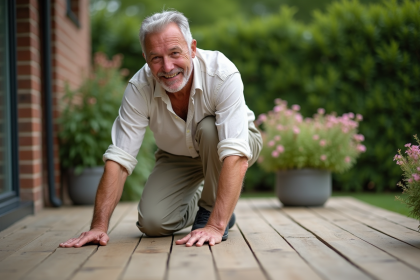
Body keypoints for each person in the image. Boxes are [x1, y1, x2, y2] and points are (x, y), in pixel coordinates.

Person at [59, 10, 262, 248]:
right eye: (156, 58)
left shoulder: (222, 74)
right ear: (145, 57)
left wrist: (216, 225)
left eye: (175, 53)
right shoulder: (139, 88)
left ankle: (214, 211)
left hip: (233, 145)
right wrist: (98, 226)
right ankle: (220, 203)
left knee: (208, 128)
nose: (167, 67)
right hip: (177, 155)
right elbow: (119, 159)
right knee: (153, 224)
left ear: (192, 48)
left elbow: (235, 153)